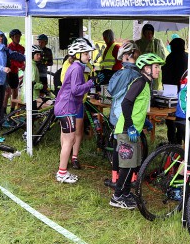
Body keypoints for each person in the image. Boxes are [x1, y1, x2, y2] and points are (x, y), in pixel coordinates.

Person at [111, 53, 165, 209]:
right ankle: (117, 197)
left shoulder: (146, 84)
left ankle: (126, 193)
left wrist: (145, 122)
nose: (158, 70)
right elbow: (126, 103)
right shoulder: (140, 82)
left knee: (133, 164)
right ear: (146, 68)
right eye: (156, 67)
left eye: (158, 67)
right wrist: (130, 126)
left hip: (133, 129)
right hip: (126, 130)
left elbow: (137, 107)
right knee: (127, 165)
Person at [53, 38, 96, 184]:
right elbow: (76, 90)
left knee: (66, 139)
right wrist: (91, 83)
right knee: (69, 140)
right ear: (77, 54)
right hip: (67, 107)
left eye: (88, 53)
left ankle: (62, 170)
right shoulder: (77, 68)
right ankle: (62, 173)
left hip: (65, 106)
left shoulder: (75, 66)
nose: (88, 56)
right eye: (85, 53)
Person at [104, 41, 141, 189]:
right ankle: (132, 177)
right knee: (131, 146)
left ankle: (117, 178)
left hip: (120, 113)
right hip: (130, 114)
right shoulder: (137, 73)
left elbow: (111, 90)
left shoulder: (123, 73)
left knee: (119, 146)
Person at [135, 23, 167, 89]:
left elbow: (162, 56)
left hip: (154, 70)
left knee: (154, 88)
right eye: (146, 33)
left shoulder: (157, 43)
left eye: (150, 33)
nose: (149, 35)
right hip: (141, 70)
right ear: (143, 33)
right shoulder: (138, 43)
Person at [4, 29, 25, 114]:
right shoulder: (9, 47)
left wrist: (21, 65)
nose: (18, 38)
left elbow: (21, 60)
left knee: (15, 93)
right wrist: (20, 65)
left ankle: (12, 111)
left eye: (19, 36)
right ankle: (4, 111)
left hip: (15, 72)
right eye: (16, 37)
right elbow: (11, 60)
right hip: (8, 72)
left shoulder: (21, 48)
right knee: (7, 93)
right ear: (12, 38)